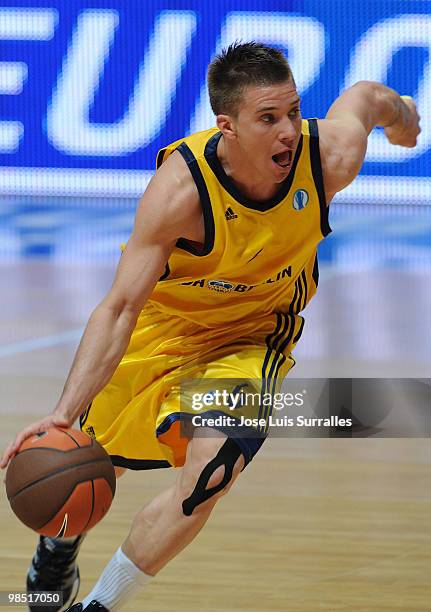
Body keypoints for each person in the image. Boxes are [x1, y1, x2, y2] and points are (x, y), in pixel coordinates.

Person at [0, 42, 420, 612]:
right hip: (160, 329)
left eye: (294, 112)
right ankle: (59, 546)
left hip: (250, 339)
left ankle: (99, 607)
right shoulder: (180, 191)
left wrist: (402, 116)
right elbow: (120, 307)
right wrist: (64, 412)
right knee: (91, 466)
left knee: (211, 473)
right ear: (228, 127)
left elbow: (367, 98)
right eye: (268, 119)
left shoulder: (327, 159)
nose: (290, 130)